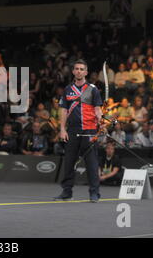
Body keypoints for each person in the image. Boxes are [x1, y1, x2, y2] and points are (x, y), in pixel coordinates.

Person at [55, 59, 103, 203]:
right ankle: (67, 192)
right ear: (73, 71)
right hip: (73, 131)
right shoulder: (68, 90)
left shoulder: (93, 89)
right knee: (69, 163)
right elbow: (63, 110)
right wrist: (62, 129)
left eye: (82, 69)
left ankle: (94, 193)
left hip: (89, 130)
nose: (79, 71)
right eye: (76, 69)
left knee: (92, 164)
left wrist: (100, 120)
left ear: (86, 72)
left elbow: (97, 109)